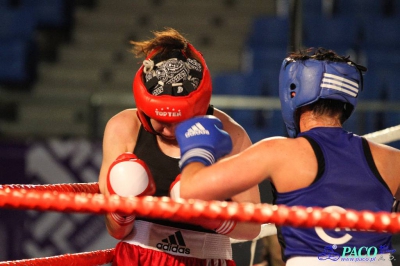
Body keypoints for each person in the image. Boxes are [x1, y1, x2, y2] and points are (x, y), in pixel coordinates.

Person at [175, 48, 400, 266]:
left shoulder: (278, 152)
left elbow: (191, 189)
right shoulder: (392, 159)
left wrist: (198, 148)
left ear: (293, 92)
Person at [97, 27, 261, 266]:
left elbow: (252, 227)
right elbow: (116, 231)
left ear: (200, 106)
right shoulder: (123, 128)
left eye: (180, 122)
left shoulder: (230, 135)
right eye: (161, 121)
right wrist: (123, 211)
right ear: (144, 109)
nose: (170, 130)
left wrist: (210, 215)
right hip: (138, 258)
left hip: (207, 259)